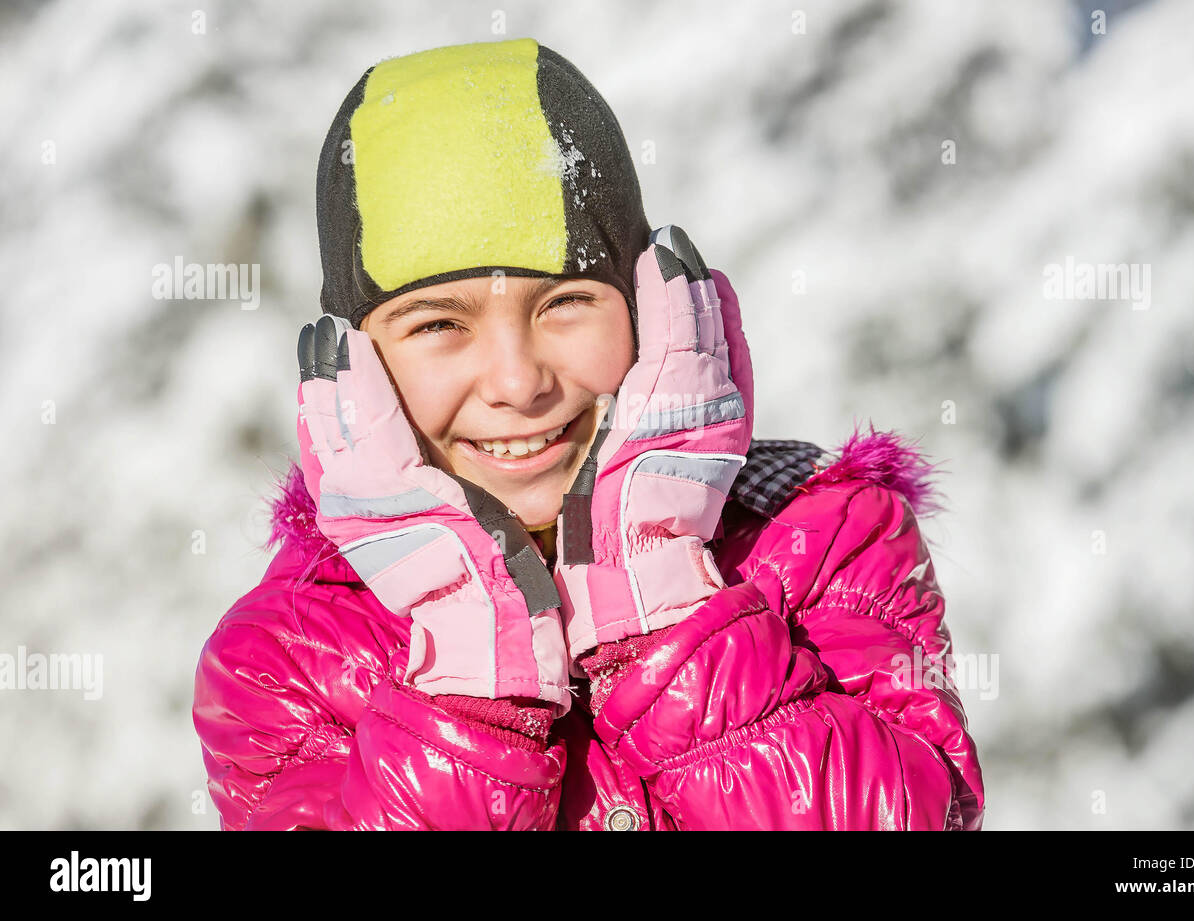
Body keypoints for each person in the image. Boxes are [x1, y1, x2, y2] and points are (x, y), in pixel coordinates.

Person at [192, 37, 985, 830]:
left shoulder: (827, 544)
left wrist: (660, 593)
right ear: (355, 368)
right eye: (439, 324)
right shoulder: (285, 659)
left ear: (651, 307)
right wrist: (469, 666)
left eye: (565, 302)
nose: (518, 381)